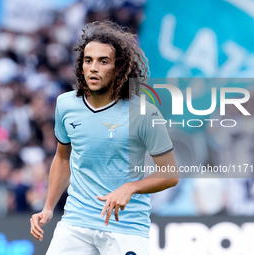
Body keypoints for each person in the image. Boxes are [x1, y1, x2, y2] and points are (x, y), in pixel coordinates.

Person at [30, 20, 179, 255]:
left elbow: (170, 174)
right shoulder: (65, 105)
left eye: (103, 61)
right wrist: (48, 207)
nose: (93, 68)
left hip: (126, 228)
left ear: (118, 68)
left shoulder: (144, 112)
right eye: (88, 60)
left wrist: (130, 188)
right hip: (76, 223)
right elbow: (62, 158)